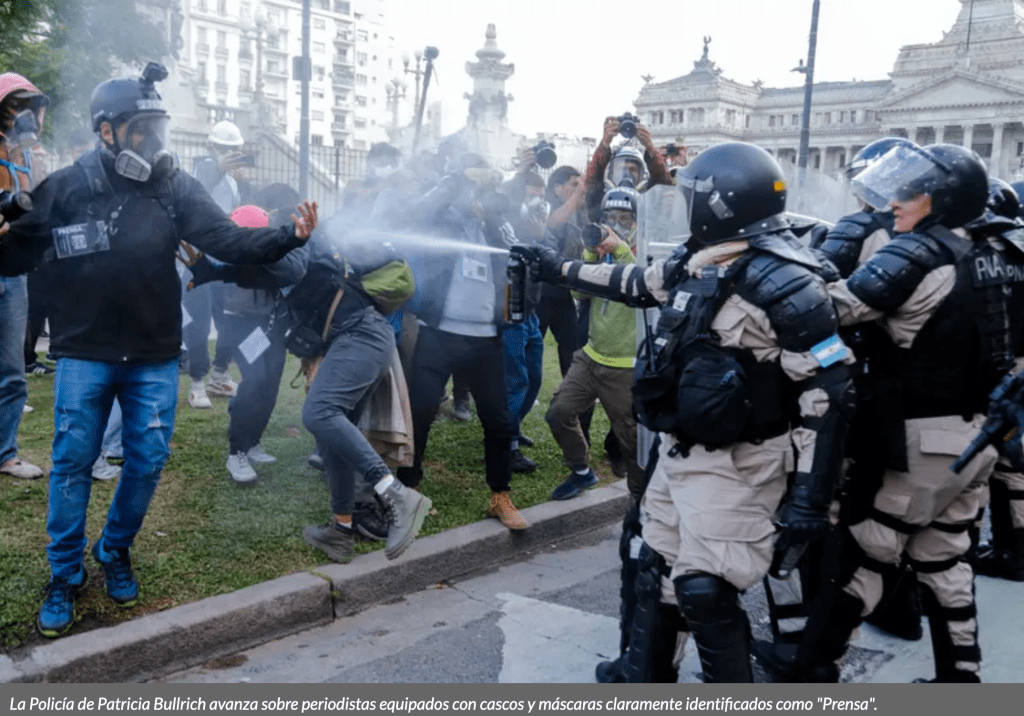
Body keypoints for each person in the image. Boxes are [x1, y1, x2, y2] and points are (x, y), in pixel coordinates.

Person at [514, 141, 854, 683]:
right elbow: (635, 285)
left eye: (694, 196)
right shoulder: (701, 258)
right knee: (651, 563)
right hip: (680, 447)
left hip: (744, 461)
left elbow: (829, 393)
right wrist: (558, 268)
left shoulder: (788, 280)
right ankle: (645, 675)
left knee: (704, 587)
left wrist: (811, 500)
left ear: (720, 204)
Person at [0, 63, 319, 638]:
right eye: (140, 129)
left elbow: (228, 239)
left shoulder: (175, 187)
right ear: (106, 131)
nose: (153, 141)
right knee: (71, 464)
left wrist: (287, 237)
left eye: (158, 128)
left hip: (152, 355)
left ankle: (114, 549)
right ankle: (64, 574)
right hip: (83, 354)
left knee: (146, 461)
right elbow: (14, 255)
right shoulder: (67, 186)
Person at [759, 143, 1005, 683]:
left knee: (864, 555)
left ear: (941, 201)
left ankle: (813, 667)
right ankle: (960, 678)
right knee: (945, 561)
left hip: (923, 442)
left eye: (910, 193)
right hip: (980, 436)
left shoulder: (920, 253)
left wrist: (780, 270)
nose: (894, 202)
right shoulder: (1000, 250)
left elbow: (831, 308)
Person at [396, 153, 528, 531]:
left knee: (498, 420)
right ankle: (409, 490)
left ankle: (500, 495)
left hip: (486, 340)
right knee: (421, 412)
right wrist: (459, 178)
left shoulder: (496, 226)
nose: (476, 195)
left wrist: (492, 209)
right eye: (472, 186)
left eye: (481, 186)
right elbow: (420, 211)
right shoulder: (443, 220)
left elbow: (518, 252)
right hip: (439, 335)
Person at [546, 184, 645, 501]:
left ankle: (641, 503)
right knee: (558, 413)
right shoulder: (605, 253)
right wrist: (591, 254)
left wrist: (620, 251)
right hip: (590, 357)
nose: (616, 225)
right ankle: (581, 471)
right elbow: (579, 292)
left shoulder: (647, 250)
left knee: (632, 441)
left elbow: (640, 286)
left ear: (638, 221)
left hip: (624, 367)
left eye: (624, 218)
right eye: (610, 217)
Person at [214, 201, 309, 483]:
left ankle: (253, 441)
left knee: (269, 386)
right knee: (254, 381)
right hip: (243, 326)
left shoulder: (275, 253)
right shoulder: (225, 256)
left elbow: (294, 271)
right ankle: (237, 453)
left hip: (272, 325)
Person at [0, 72, 49, 480]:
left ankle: (6, 453)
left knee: (13, 372)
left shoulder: (29, 158)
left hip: (13, 273)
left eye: (29, 106)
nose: (24, 115)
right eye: (16, 105)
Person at [183, 119, 250, 409]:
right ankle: (197, 382)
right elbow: (196, 192)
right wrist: (219, 168)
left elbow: (234, 214)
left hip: (223, 259)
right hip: (197, 260)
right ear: (211, 146)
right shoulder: (201, 170)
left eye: (234, 149)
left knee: (230, 318)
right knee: (198, 321)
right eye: (224, 148)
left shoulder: (232, 180)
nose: (230, 154)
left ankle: (220, 374)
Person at [538, 165, 585, 378]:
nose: (579, 189)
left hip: (564, 290)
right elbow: (554, 222)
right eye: (574, 184)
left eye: (580, 185)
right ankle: (527, 388)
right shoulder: (546, 205)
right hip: (542, 291)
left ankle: (571, 389)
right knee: (533, 345)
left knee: (571, 346)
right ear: (557, 187)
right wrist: (579, 193)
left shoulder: (579, 211)